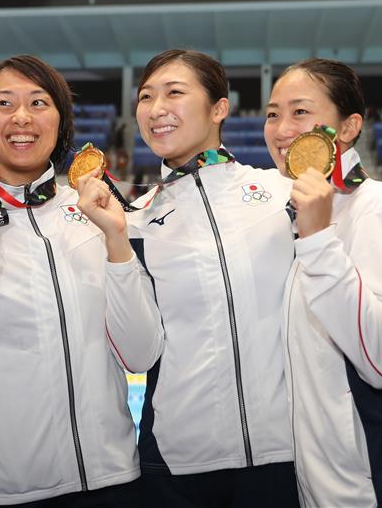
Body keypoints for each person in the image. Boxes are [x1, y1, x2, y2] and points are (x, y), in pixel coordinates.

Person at [0, 55, 157, 506]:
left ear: (60, 121)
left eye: (39, 102)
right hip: (9, 490)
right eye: (5, 103)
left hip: (117, 480)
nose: (22, 117)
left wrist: (116, 237)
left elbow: (140, 354)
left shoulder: (97, 217)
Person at [264, 58, 382, 506]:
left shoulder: (378, 210)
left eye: (300, 112)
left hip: (380, 489)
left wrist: (318, 239)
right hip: (320, 487)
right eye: (273, 113)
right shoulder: (285, 213)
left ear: (348, 127)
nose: (281, 128)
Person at [115, 50, 299, 507]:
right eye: (145, 97)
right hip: (177, 463)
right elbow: (136, 352)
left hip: (287, 451)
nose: (156, 109)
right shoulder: (131, 222)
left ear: (219, 108)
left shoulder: (281, 194)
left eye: (174, 92)